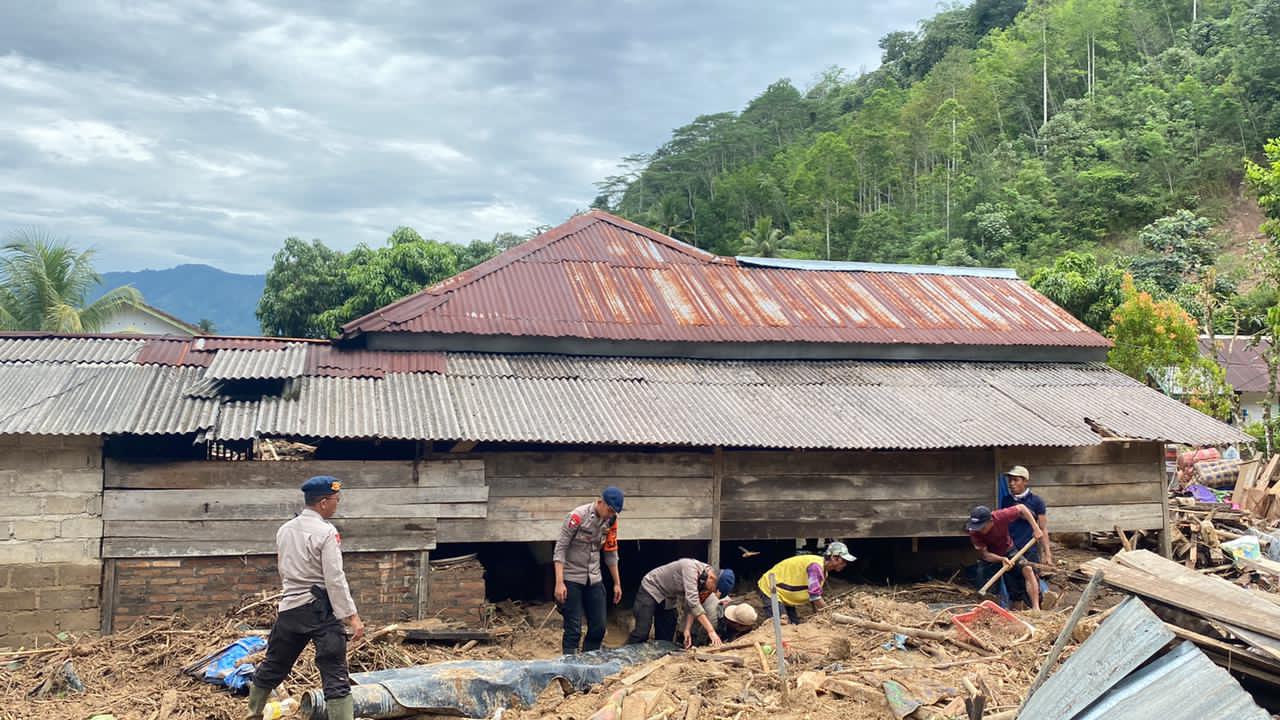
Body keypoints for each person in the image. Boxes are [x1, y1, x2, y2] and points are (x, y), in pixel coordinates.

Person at [245, 476, 364, 720]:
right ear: (323, 502)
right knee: (335, 673)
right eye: (335, 500)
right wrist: (351, 616)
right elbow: (335, 579)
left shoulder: (285, 530)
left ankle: (253, 713)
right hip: (320, 611)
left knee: (274, 664)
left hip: (290, 609)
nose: (336, 505)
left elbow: (283, 568)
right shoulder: (326, 532)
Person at [553, 487, 624, 655]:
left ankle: (588, 662)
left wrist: (617, 583)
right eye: (609, 510)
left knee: (599, 627)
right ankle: (569, 667)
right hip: (571, 577)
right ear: (600, 502)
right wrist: (559, 582)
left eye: (614, 512)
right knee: (574, 629)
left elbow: (611, 551)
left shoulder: (611, 520)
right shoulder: (577, 517)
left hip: (594, 577)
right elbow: (560, 549)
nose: (610, 514)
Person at [628, 558, 734, 648]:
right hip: (652, 588)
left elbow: (692, 606)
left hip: (669, 597)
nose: (713, 592)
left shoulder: (706, 583)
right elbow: (693, 603)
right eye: (715, 589)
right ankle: (627, 654)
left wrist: (687, 630)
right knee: (642, 631)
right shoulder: (691, 569)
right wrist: (711, 631)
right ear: (712, 578)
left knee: (666, 634)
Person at [966, 504, 1045, 611]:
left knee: (1028, 569)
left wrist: (1036, 528)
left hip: (1009, 550)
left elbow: (1022, 507)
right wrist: (1001, 559)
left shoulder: (1001, 516)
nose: (980, 530)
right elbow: (985, 555)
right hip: (991, 557)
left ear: (991, 521)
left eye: (983, 527)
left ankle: (1036, 607)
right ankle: (993, 610)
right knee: (989, 587)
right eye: (978, 527)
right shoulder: (974, 532)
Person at [756, 541, 855, 624]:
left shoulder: (823, 571)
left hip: (785, 593)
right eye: (844, 561)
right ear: (834, 557)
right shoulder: (815, 567)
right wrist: (829, 612)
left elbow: (812, 594)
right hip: (772, 588)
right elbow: (815, 596)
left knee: (794, 624)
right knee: (782, 623)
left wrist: (818, 614)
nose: (845, 564)